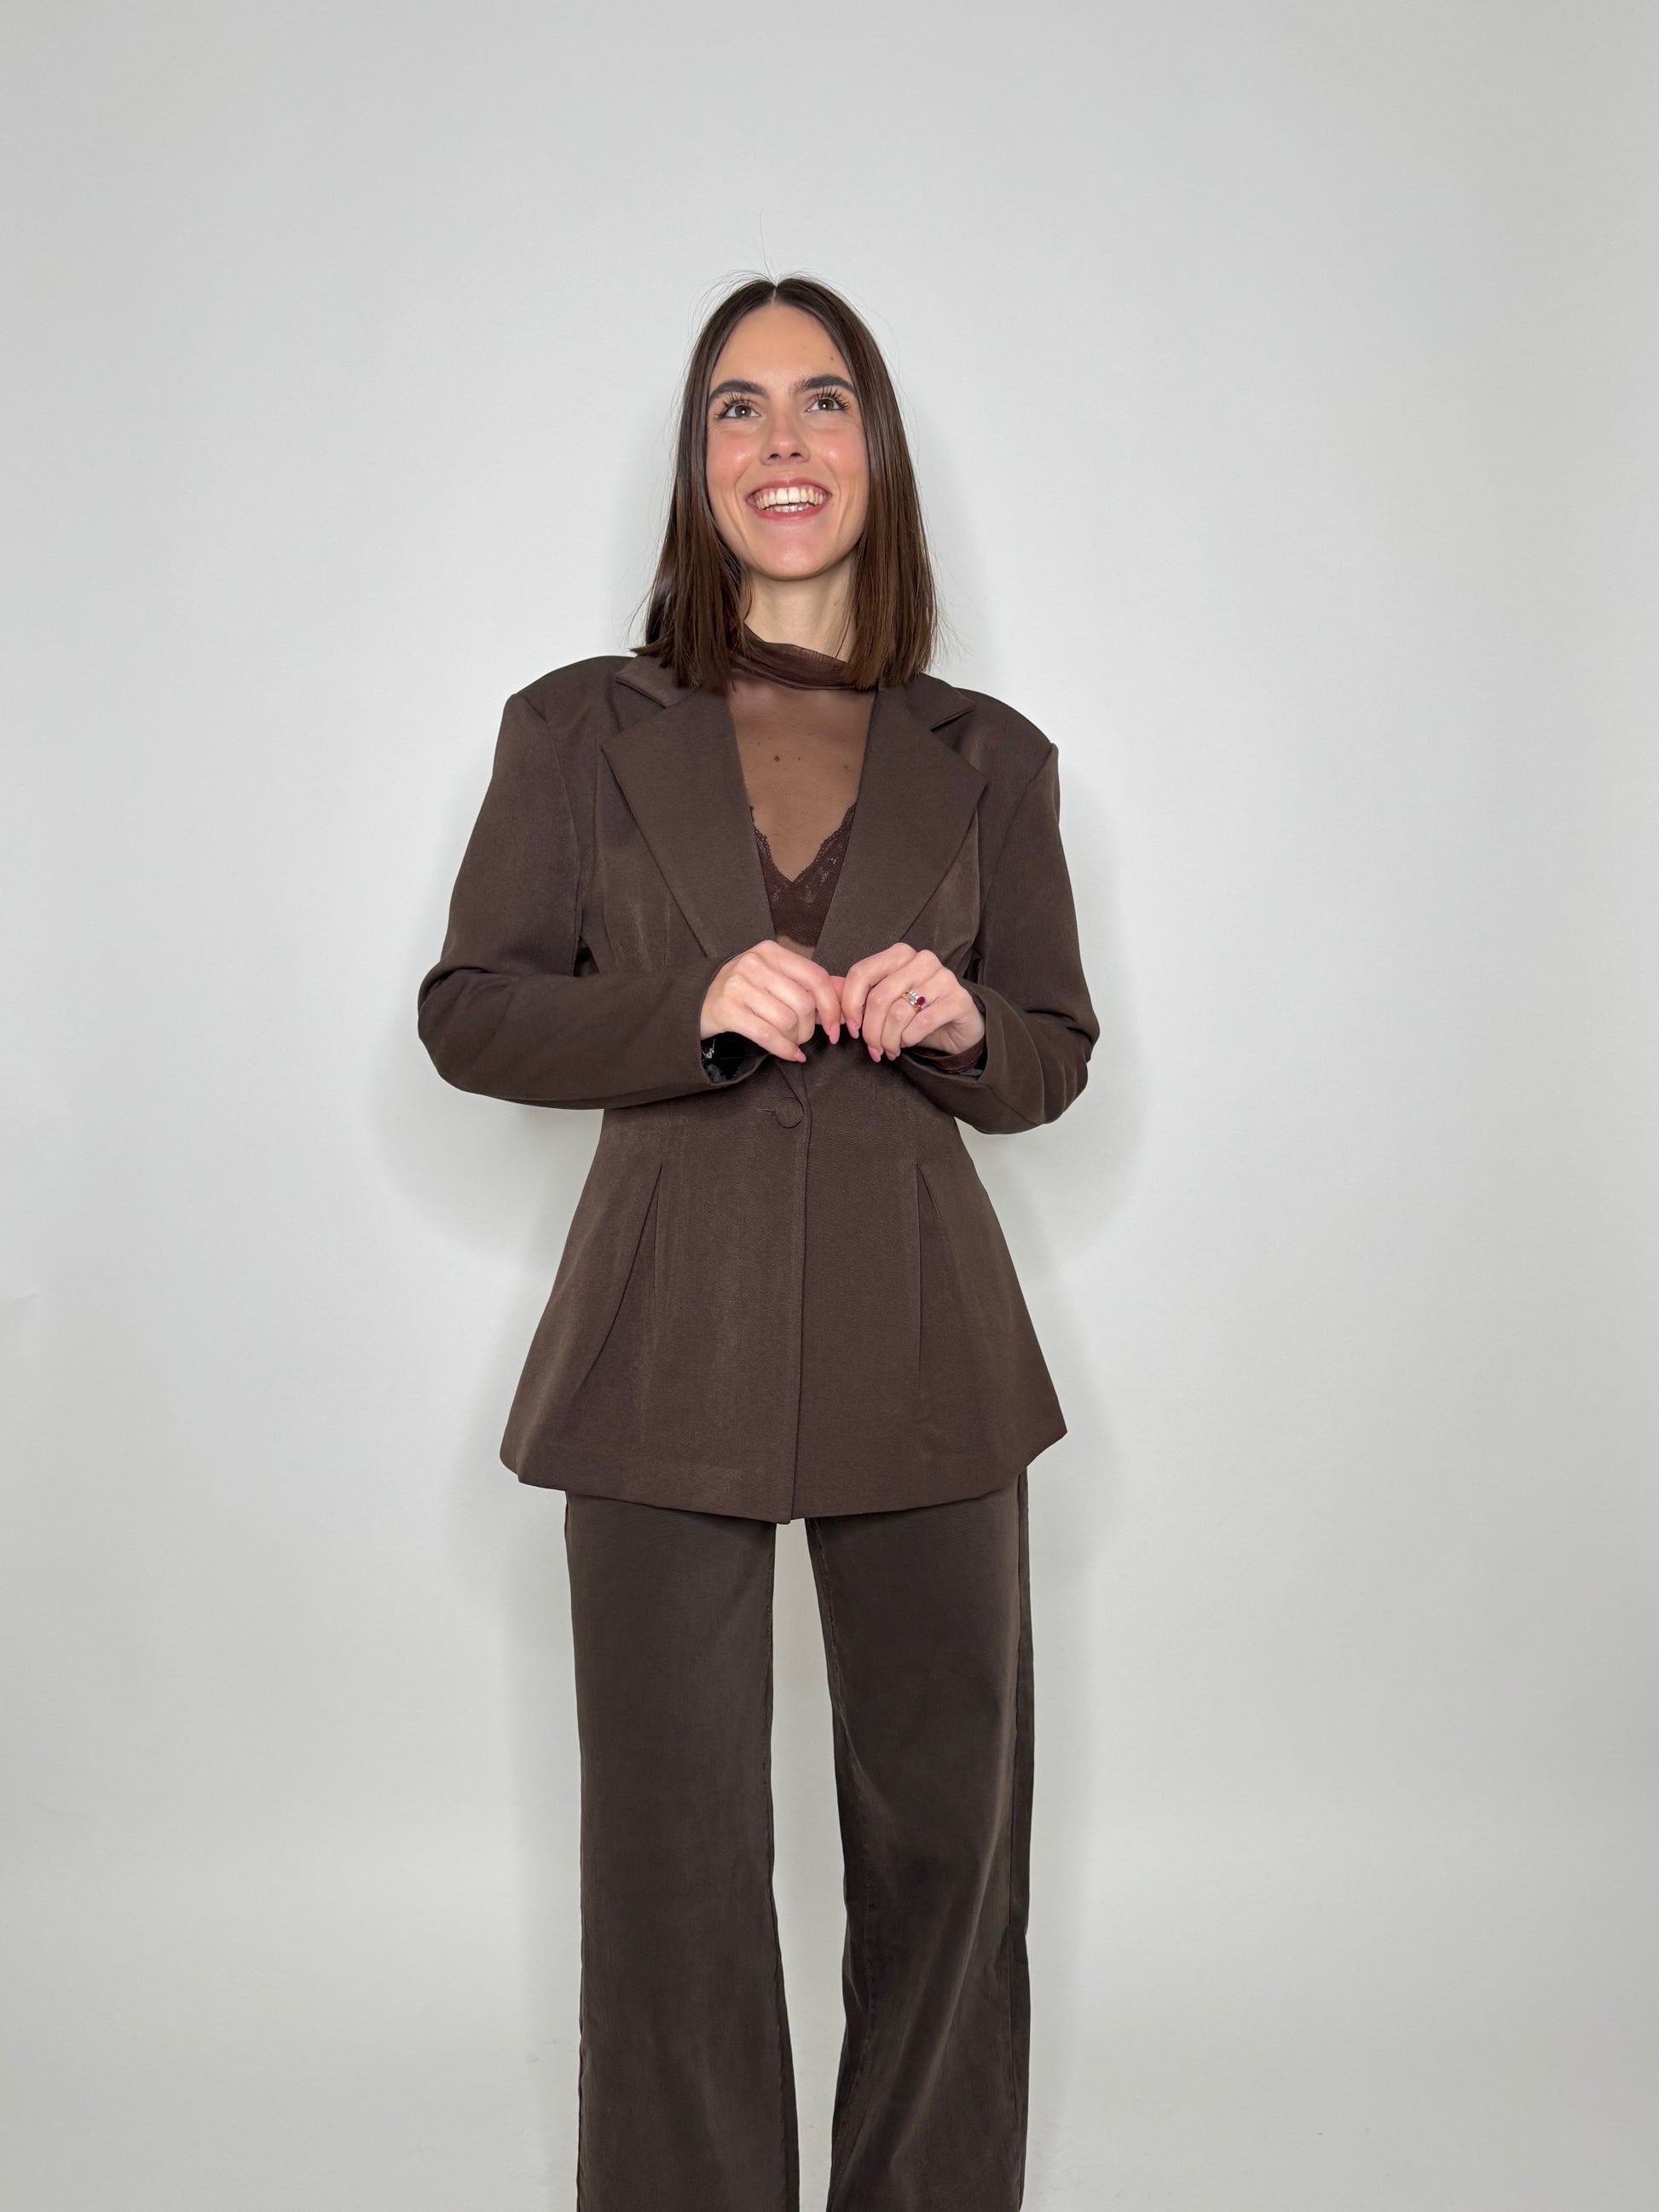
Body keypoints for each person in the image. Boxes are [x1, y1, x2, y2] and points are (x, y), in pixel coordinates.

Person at [418, 274, 1099, 2212]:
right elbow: (469, 1011)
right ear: (697, 460)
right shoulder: (574, 727)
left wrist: (966, 1026)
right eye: (736, 405)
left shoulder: (994, 752)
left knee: (946, 1852)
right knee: (674, 1867)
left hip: (928, 1346)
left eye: (820, 401)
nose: (780, 441)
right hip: (660, 1343)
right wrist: (689, 1005)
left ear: (874, 453)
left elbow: (1054, 1050)